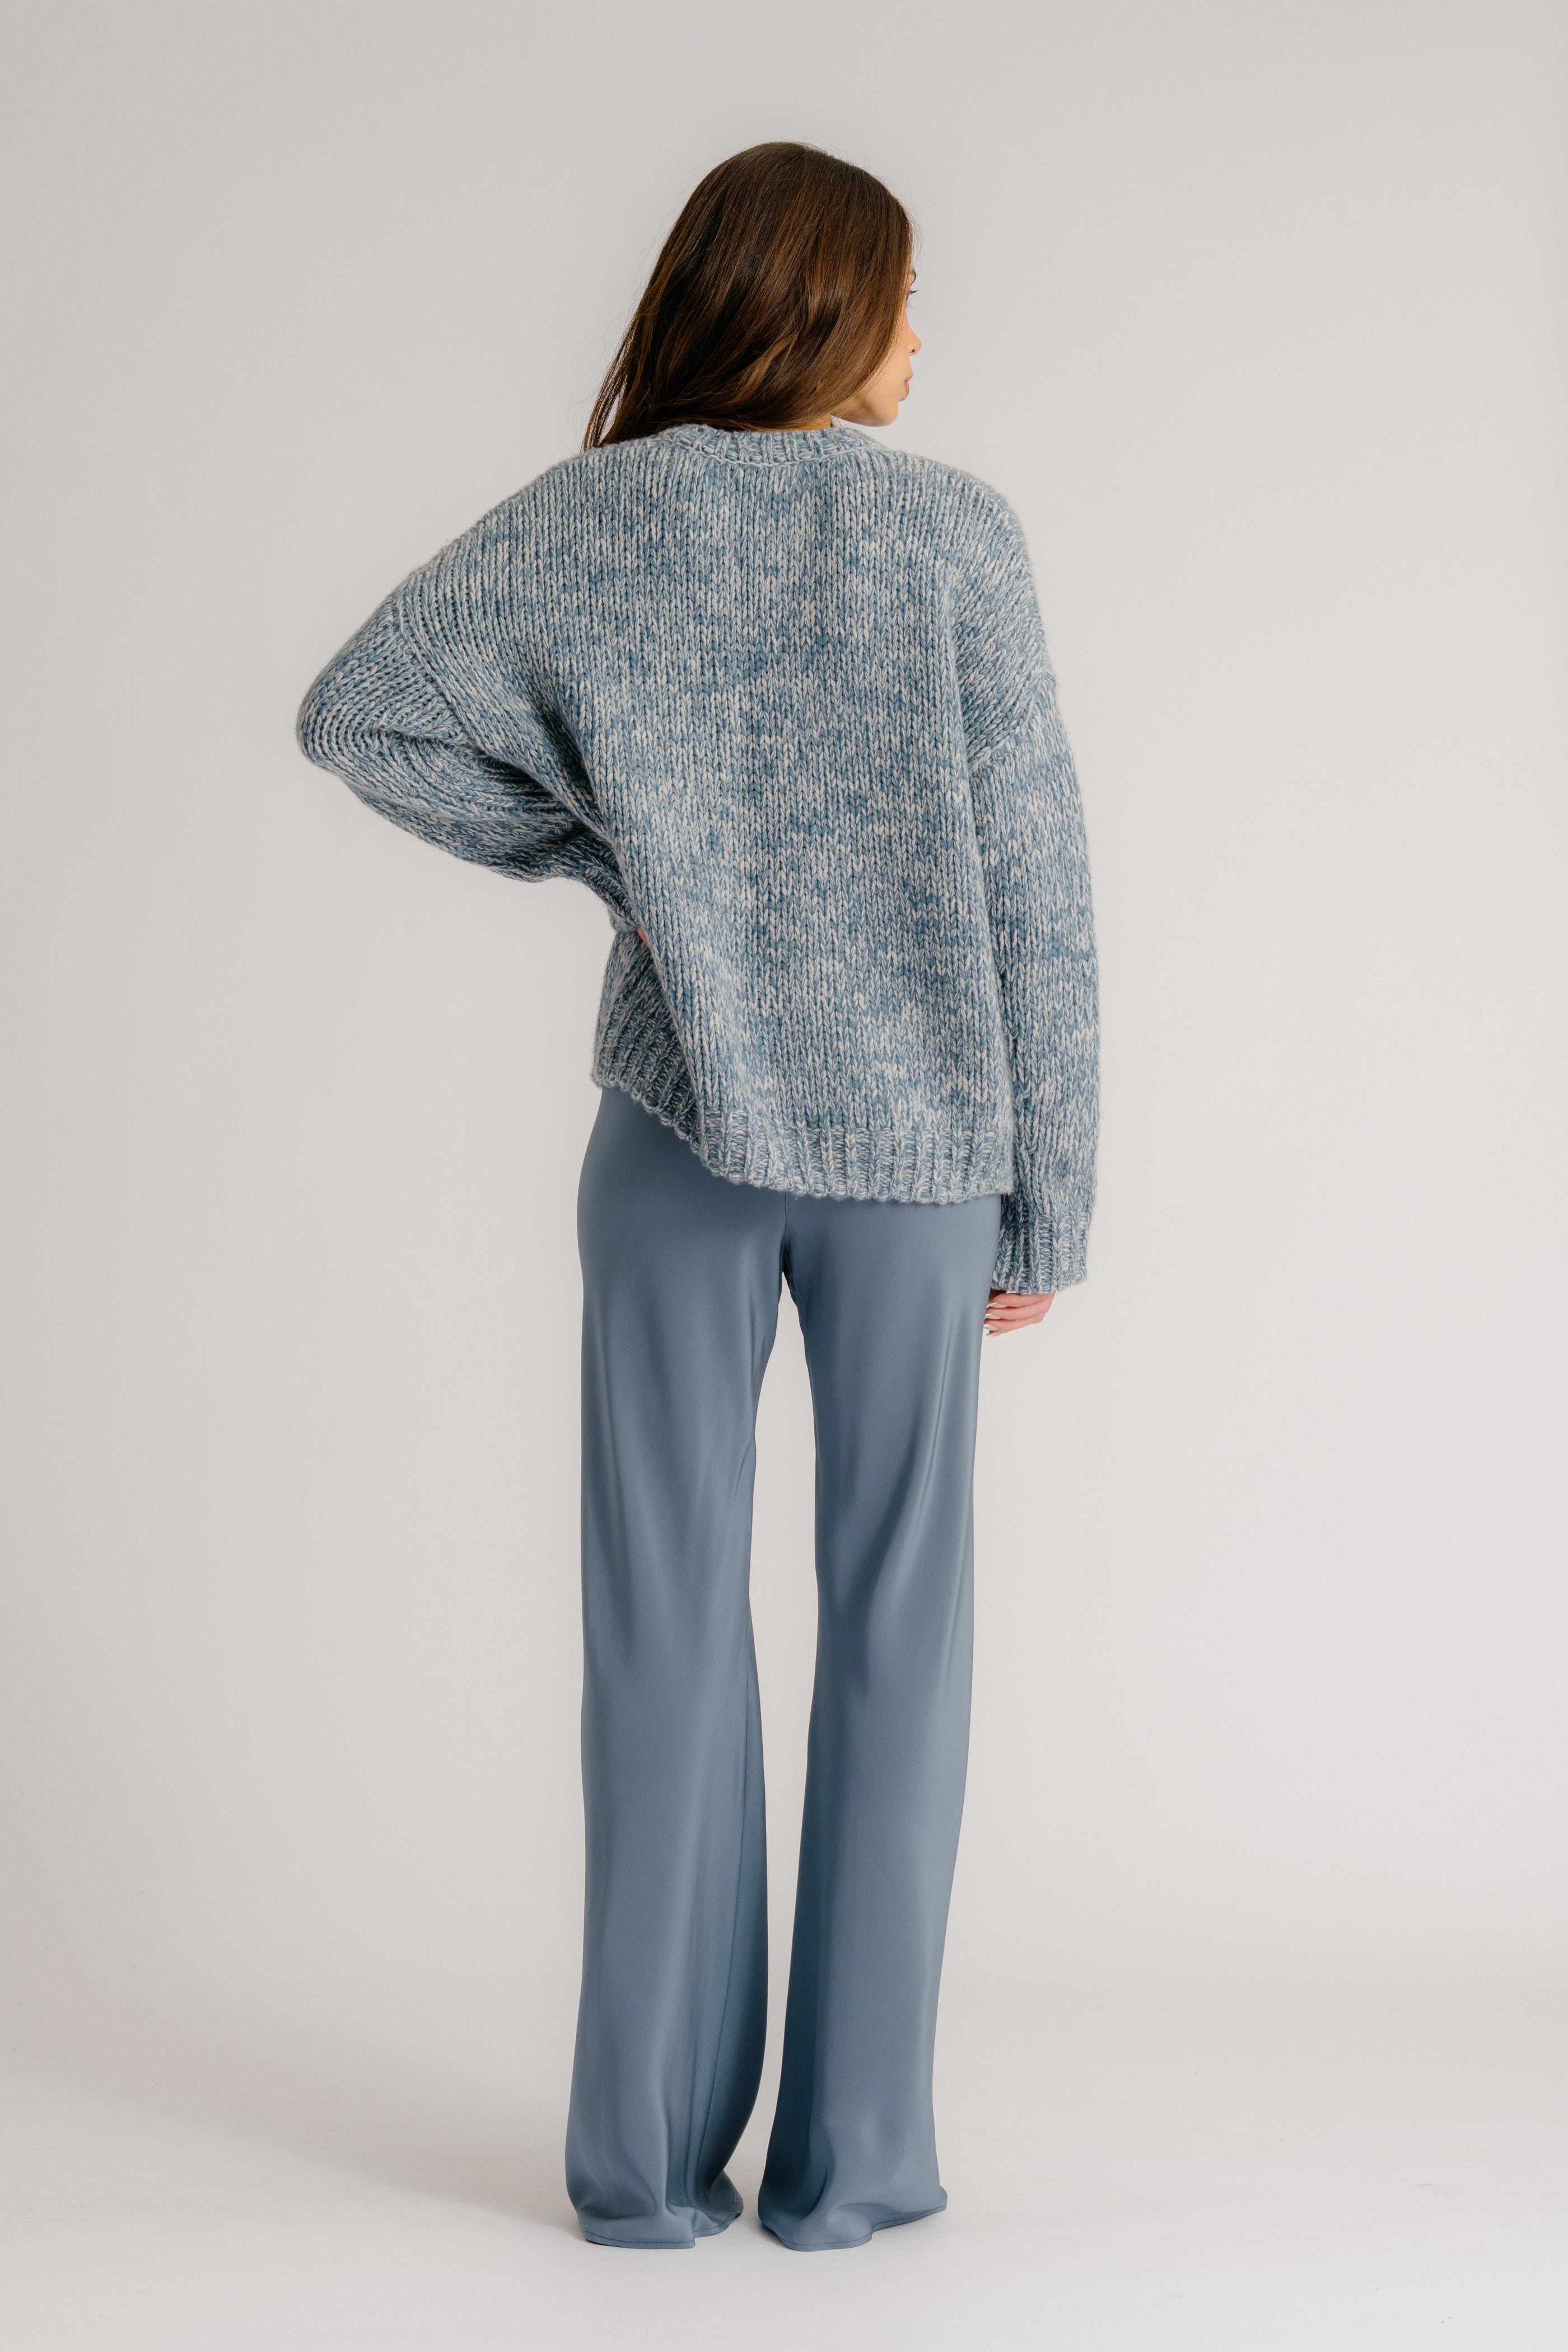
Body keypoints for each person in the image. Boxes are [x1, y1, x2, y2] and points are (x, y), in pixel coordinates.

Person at [296, 139, 1099, 2253]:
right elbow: (1038, 880)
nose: (921, 331)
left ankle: (642, 2170)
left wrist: (620, 861)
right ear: (817, 304)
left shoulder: (598, 518)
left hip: (672, 1139)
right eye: (899, 293)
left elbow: (363, 712)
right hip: (923, 1152)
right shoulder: (955, 537)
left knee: (658, 1625)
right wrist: (1055, 1195)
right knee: (901, 1625)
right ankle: (853, 2168)